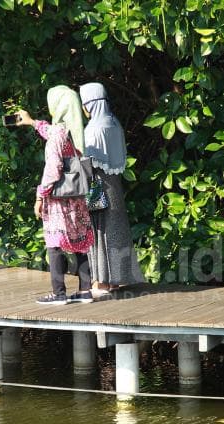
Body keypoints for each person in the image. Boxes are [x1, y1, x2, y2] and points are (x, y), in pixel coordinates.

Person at [16, 85, 95, 305]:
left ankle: (59, 293)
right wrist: (32, 122)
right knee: (80, 241)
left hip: (59, 199)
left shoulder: (58, 134)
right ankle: (85, 290)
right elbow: (51, 131)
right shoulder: (75, 130)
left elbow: (53, 169)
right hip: (76, 197)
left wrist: (40, 196)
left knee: (54, 243)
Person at [78, 82, 145, 293]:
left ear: (89, 104)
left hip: (99, 187)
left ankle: (102, 281)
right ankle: (117, 279)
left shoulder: (93, 129)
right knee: (116, 230)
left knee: (100, 231)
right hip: (115, 187)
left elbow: (87, 164)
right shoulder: (114, 124)